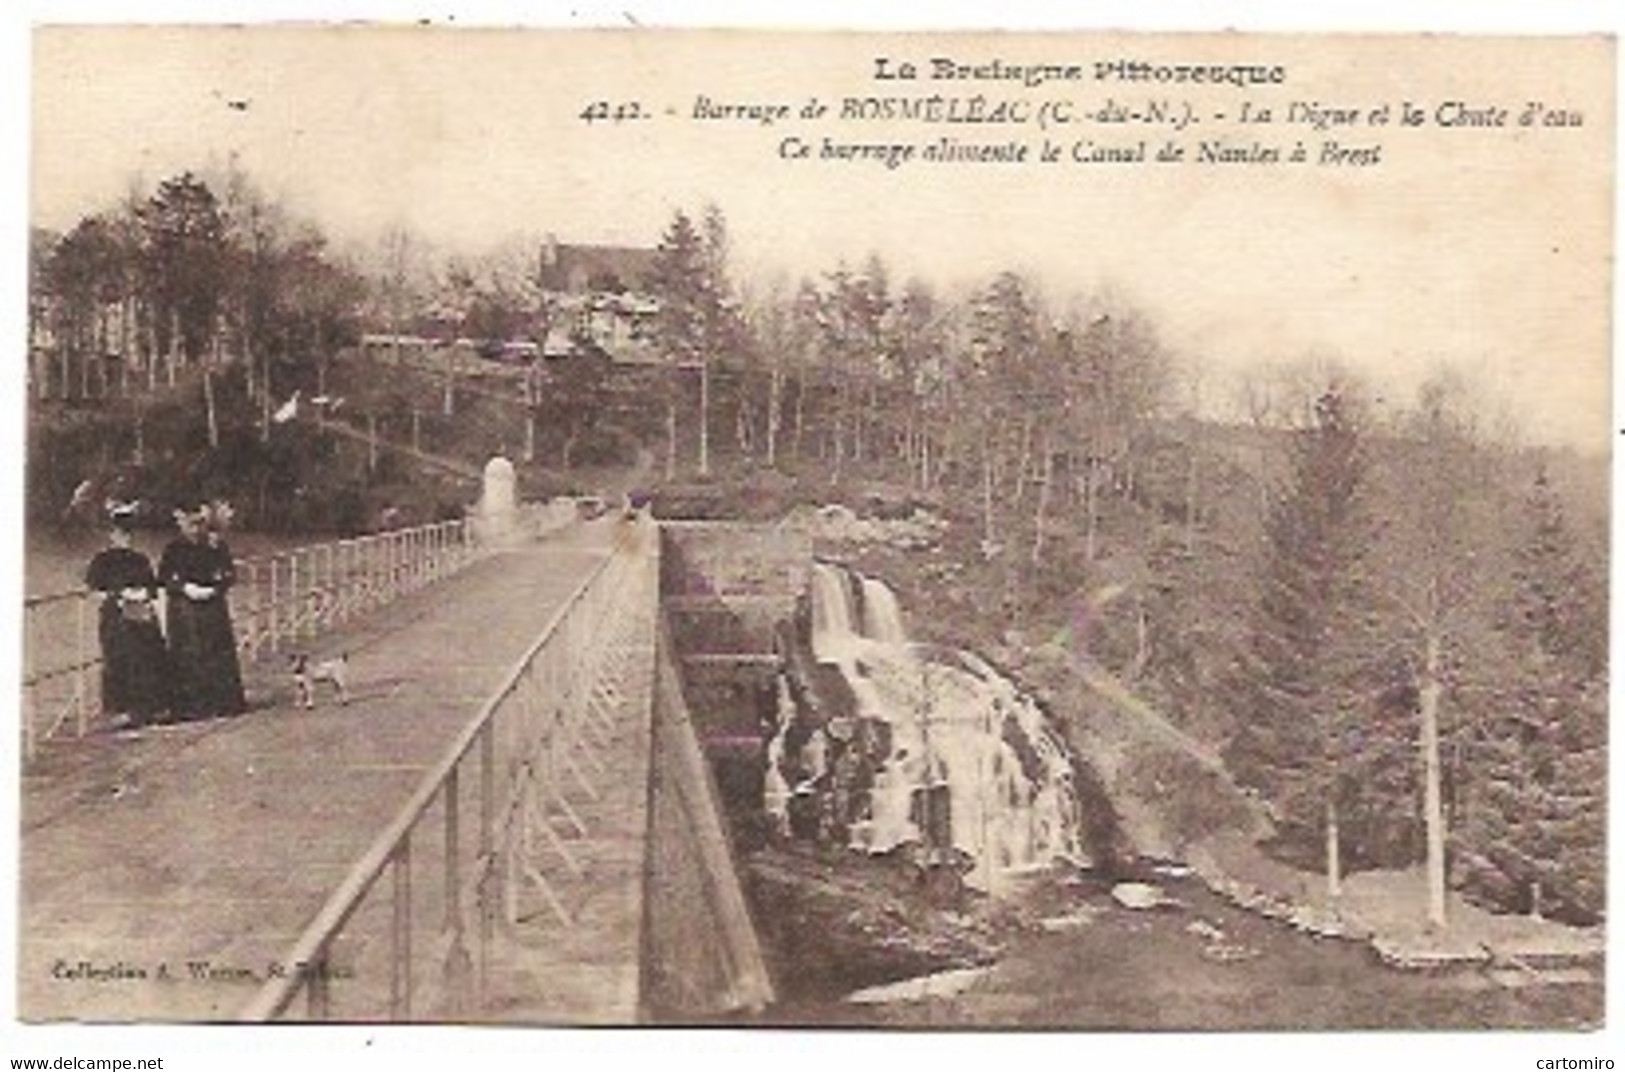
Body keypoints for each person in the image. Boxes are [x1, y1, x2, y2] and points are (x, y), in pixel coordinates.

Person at [158, 500, 246, 720]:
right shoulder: (173, 549)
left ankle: (222, 703)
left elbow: (229, 574)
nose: (195, 529)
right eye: (190, 524)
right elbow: (163, 578)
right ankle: (189, 707)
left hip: (213, 607)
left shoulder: (216, 546)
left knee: (217, 654)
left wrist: (215, 588)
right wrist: (184, 588)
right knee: (187, 655)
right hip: (184, 610)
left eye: (198, 524)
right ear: (181, 525)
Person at [84, 503, 170, 727]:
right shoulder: (102, 560)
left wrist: (142, 594)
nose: (126, 538)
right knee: (117, 659)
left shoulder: (139, 559)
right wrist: (117, 595)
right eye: (121, 533)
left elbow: (153, 588)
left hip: (141, 614)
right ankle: (119, 709)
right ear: (111, 535)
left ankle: (148, 707)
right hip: (115, 616)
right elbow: (94, 590)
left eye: (129, 533)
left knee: (147, 657)